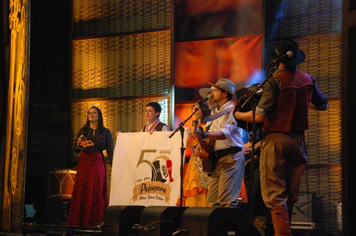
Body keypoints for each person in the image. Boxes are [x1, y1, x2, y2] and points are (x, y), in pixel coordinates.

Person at [234, 39, 328, 235]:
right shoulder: (308, 79)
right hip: (299, 141)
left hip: (276, 140)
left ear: (277, 61)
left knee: (275, 194)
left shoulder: (274, 80)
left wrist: (237, 115)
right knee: (291, 192)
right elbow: (323, 105)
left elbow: (259, 115)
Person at [193, 78, 245, 208]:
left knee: (227, 200)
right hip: (217, 159)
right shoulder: (216, 112)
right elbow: (212, 135)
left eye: (215, 90)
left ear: (224, 94)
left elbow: (224, 134)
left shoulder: (232, 110)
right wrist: (202, 144)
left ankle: (230, 228)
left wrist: (204, 134)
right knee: (213, 200)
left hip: (230, 157)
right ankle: (217, 228)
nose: (212, 94)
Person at [67, 106, 114, 226]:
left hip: (98, 161)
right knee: (83, 189)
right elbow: (76, 150)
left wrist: (115, 167)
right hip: (84, 160)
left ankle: (96, 221)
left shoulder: (105, 131)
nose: (91, 115)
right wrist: (77, 144)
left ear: (99, 116)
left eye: (94, 113)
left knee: (97, 189)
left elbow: (110, 150)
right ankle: (80, 222)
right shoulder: (83, 131)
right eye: (89, 113)